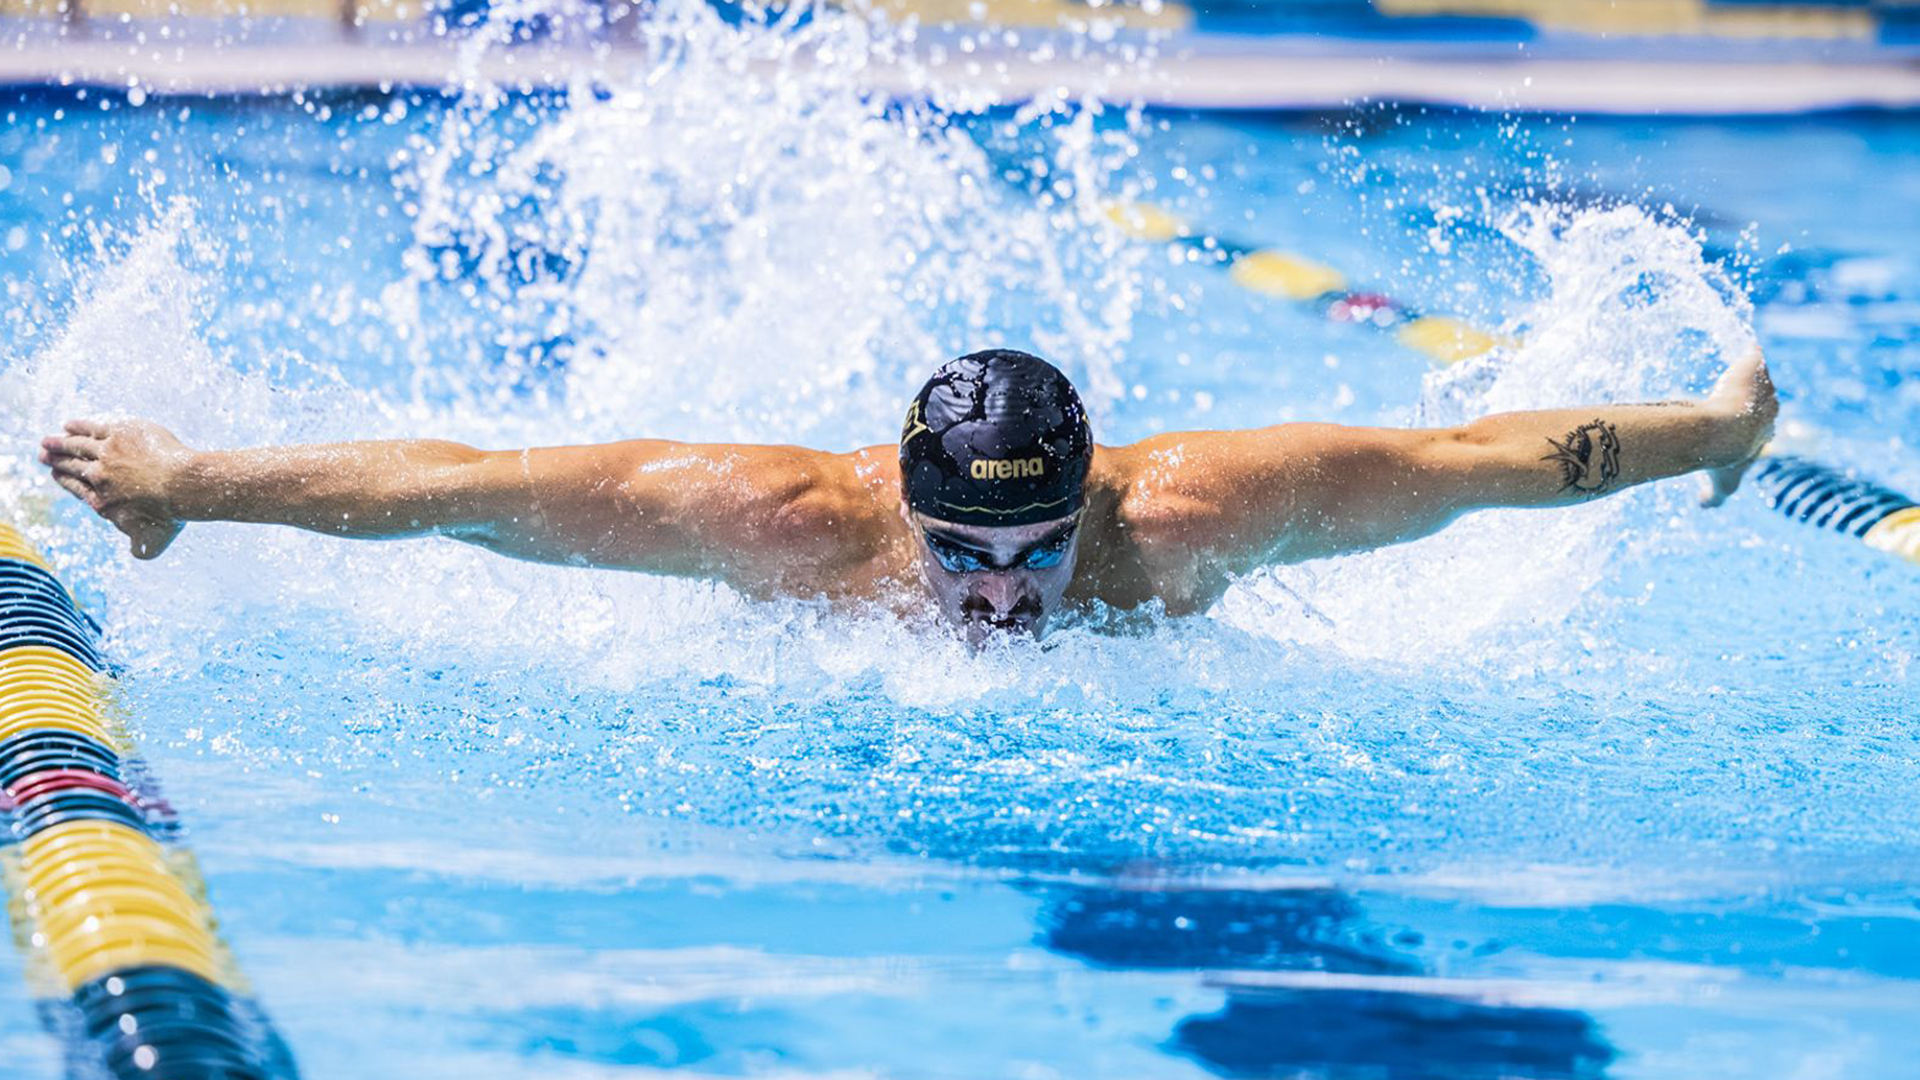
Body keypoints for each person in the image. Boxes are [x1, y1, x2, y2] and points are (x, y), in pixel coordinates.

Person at [38, 347, 1775, 646]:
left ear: (1095, 497)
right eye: (965, 549)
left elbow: (1488, 466)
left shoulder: (1190, 515)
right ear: (908, 506)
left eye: (1039, 544)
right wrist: (197, 480)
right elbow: (472, 489)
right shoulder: (796, 524)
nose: (999, 594)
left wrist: (1715, 431)